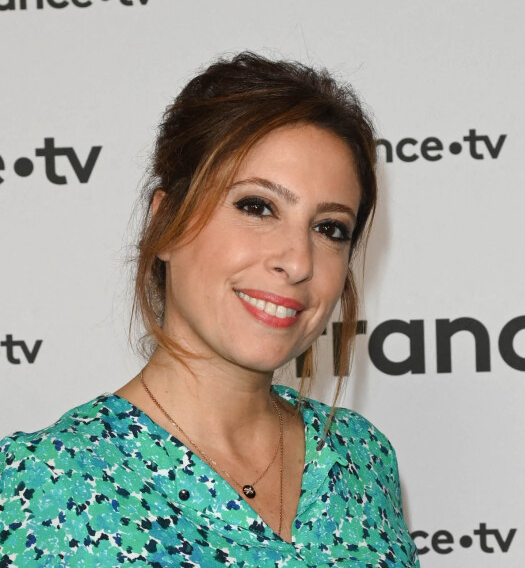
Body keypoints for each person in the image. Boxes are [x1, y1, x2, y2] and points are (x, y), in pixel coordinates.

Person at [0, 52, 419, 567]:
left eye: (329, 228)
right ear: (165, 225)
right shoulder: (40, 486)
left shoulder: (361, 458)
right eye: (256, 206)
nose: (297, 261)